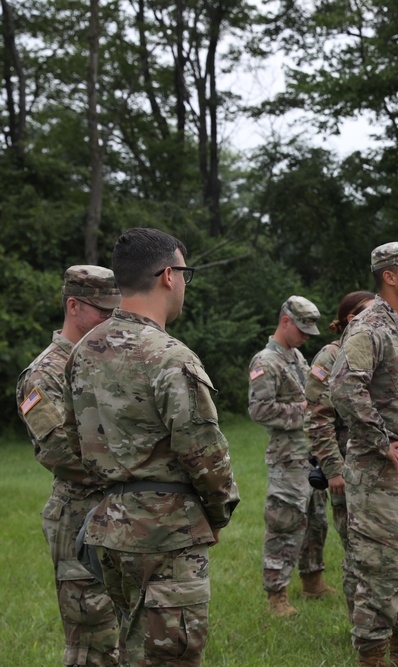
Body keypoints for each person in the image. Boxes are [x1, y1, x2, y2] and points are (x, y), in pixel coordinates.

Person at [65, 227, 240, 664]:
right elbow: (204, 452)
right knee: (171, 657)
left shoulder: (84, 351)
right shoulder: (169, 355)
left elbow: (74, 439)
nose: (184, 284)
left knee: (131, 648)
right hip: (166, 536)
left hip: (110, 529)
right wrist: (218, 513)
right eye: (185, 274)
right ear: (168, 275)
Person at [330, 242, 398, 667]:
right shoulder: (368, 327)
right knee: (379, 571)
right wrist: (380, 439)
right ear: (389, 276)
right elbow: (343, 387)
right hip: (382, 476)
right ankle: (372, 657)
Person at [16, 265, 122, 666]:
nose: (111, 320)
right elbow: (62, 453)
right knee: (92, 645)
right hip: (79, 519)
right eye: (102, 310)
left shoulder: (107, 361)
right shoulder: (44, 375)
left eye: (116, 310)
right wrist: (136, 464)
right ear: (73, 305)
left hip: (120, 513)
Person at [249, 295, 336, 617]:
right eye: (302, 329)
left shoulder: (296, 355)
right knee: (284, 526)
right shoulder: (265, 361)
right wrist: (304, 412)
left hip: (309, 457)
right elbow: (259, 410)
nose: (306, 336)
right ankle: (277, 596)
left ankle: (313, 581)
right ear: (285, 321)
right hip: (287, 460)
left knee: (316, 522)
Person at [304, 290, 375, 614]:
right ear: (352, 318)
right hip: (348, 467)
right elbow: (318, 419)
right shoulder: (330, 358)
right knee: (358, 548)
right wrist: (332, 468)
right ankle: (363, 623)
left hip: (383, 464)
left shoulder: (376, 349)